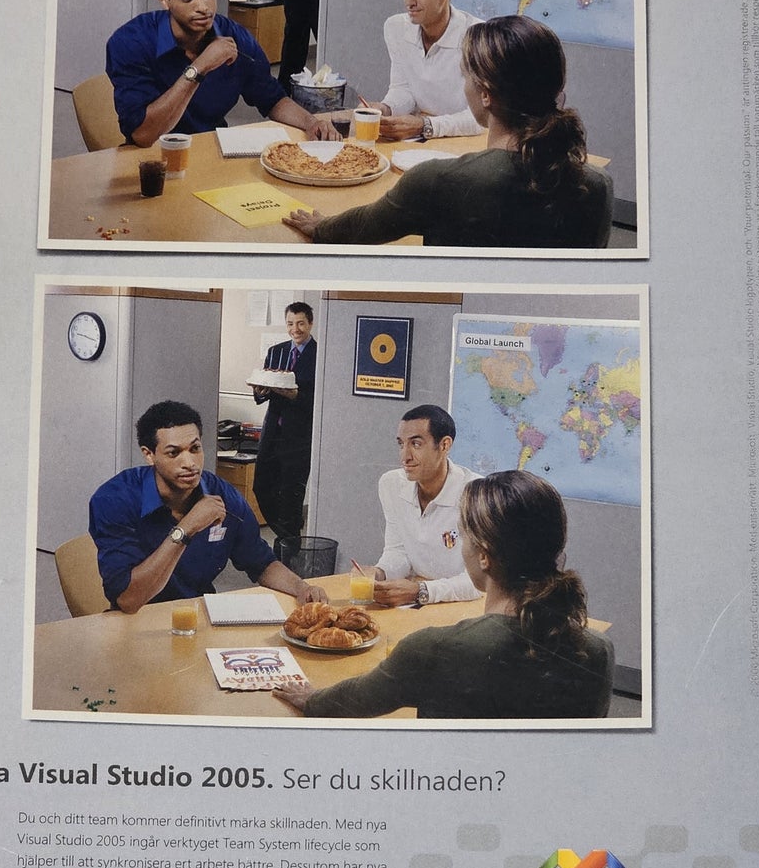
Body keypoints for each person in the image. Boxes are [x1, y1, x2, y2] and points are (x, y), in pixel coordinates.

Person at [275, 471, 613, 719]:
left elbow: (352, 701)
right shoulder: (599, 651)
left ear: (484, 555)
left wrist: (312, 698)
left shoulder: (434, 648)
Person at [283, 14, 612, 249]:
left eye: (465, 76)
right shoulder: (598, 186)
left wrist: (321, 227)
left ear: (485, 94)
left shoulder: (437, 180)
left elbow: (360, 228)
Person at [88, 400, 327, 613]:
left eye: (195, 449)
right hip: (138, 621)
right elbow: (129, 600)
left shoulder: (223, 495)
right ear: (149, 455)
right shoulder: (115, 499)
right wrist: (186, 528)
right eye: (174, 453)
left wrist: (301, 587)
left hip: (197, 617)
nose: (189, 463)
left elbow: (261, 562)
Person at [105, 0, 339, 146]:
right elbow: (143, 135)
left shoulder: (235, 36)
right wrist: (199, 67)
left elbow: (272, 98)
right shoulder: (131, 41)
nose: (203, 7)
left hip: (211, 148)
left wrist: (311, 122)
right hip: (152, 157)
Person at [367, 404, 481, 607]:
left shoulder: (476, 494)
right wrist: (380, 572)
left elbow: (481, 581)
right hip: (421, 600)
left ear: (444, 445)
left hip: (466, 603)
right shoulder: (391, 484)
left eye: (416, 444)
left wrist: (421, 591)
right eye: (401, 444)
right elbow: (399, 551)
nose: (405, 457)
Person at [362, 0, 481, 140]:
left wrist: (425, 126)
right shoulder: (396, 28)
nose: (409, 2)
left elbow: (483, 117)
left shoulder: (477, 37)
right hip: (423, 136)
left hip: (467, 139)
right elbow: (404, 89)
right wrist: (386, 108)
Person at [251, 302, 317, 545]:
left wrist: (296, 396)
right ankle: (288, 535)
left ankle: (289, 547)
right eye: (290, 324)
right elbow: (263, 392)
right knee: (261, 487)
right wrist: (259, 391)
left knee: (291, 494)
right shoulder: (276, 351)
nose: (295, 329)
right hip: (272, 431)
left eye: (300, 323)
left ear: (310, 324)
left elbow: (320, 399)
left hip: (299, 435)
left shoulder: (320, 355)